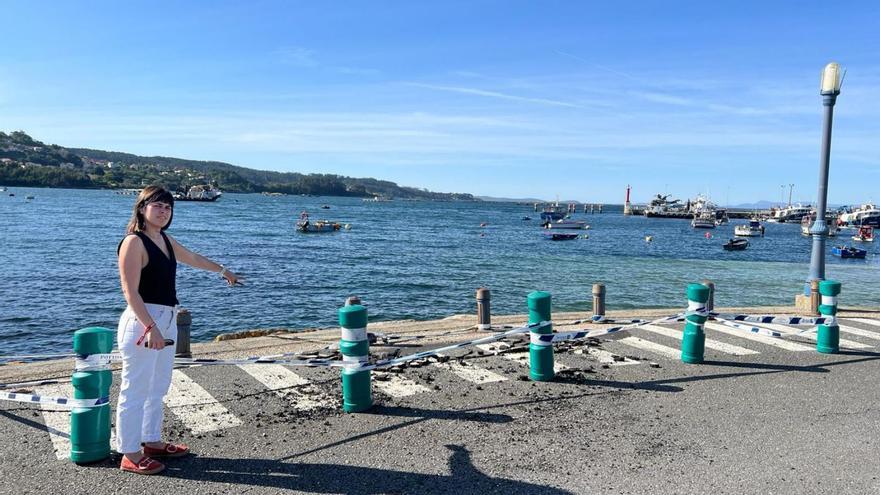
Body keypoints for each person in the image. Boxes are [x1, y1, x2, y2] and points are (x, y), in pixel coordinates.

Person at [116, 186, 241, 475]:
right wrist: (150, 327)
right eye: (157, 205)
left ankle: (152, 441)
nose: (163, 211)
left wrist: (224, 271)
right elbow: (129, 290)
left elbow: (193, 258)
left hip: (167, 317)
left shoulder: (164, 240)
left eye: (168, 207)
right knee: (135, 388)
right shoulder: (134, 242)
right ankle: (130, 453)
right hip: (143, 320)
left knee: (158, 386)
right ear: (142, 208)